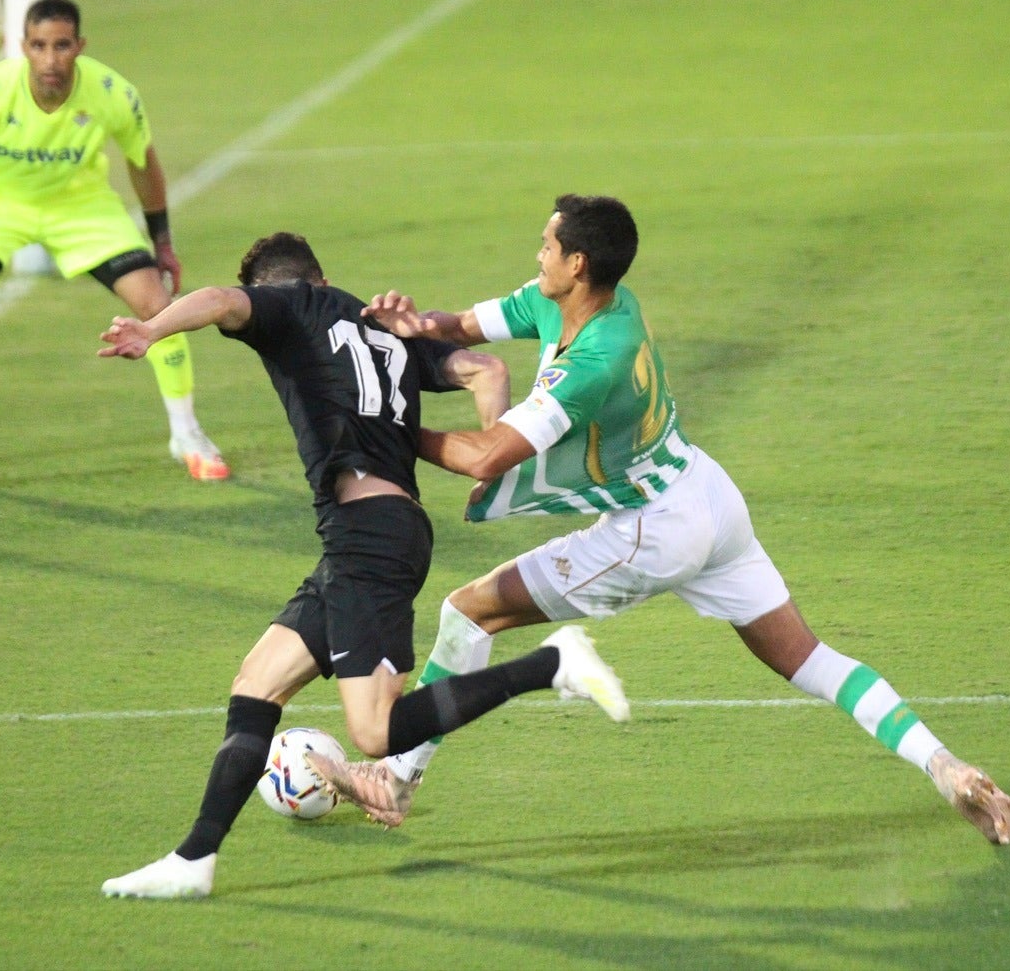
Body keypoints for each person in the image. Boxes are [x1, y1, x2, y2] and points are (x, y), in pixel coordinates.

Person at [308, 194, 1010, 847]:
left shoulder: (595, 358)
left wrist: (383, 430)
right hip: (707, 493)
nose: (538, 253)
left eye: (547, 244)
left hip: (651, 530)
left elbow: (485, 456)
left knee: (471, 611)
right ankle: (945, 764)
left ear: (577, 262)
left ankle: (398, 775)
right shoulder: (577, 302)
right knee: (807, 657)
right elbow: (457, 324)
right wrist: (406, 329)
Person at [97, 233, 629, 900]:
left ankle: (553, 663)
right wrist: (494, 457)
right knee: (256, 684)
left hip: (370, 541)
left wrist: (150, 327)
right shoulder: (383, 326)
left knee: (375, 730)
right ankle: (194, 859)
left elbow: (215, 300)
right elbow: (486, 371)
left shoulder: (287, 306)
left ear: (280, 285)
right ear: (323, 274)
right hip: (362, 535)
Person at [0, 0, 228, 495]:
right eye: (39, 46)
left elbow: (142, 162)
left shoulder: (111, 93)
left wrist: (162, 244)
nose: (50, 59)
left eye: (62, 46)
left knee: (157, 306)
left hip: (81, 208)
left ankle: (187, 434)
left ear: (79, 46)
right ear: (23, 47)